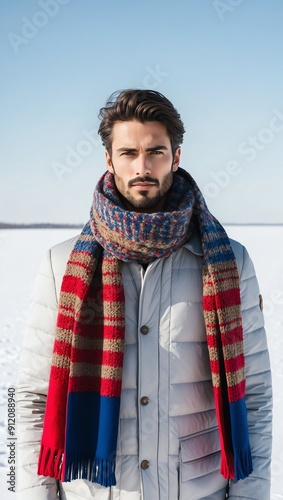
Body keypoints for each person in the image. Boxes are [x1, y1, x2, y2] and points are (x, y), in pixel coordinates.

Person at [17, 89, 272, 500]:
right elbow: (29, 399)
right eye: (128, 153)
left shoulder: (226, 263)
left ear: (176, 157)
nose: (142, 166)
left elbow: (254, 395)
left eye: (155, 151)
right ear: (109, 159)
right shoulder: (62, 264)